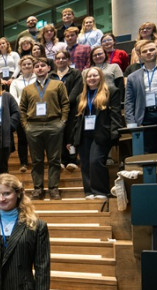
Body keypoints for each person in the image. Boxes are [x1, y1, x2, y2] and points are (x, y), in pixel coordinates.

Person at [70, 67, 123, 200]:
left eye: (95, 75)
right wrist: (73, 138)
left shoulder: (111, 92)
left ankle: (101, 191)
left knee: (96, 161)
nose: (92, 78)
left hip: (101, 133)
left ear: (101, 77)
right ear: (85, 79)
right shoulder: (81, 97)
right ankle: (89, 191)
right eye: (89, 76)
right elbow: (77, 119)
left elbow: (115, 114)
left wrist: (115, 132)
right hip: (84, 134)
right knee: (86, 163)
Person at [20, 57, 69, 200]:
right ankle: (38, 188)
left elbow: (65, 104)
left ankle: (53, 188)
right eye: (37, 66)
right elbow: (22, 109)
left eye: (42, 65)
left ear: (49, 68)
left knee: (54, 159)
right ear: (33, 70)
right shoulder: (27, 89)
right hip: (33, 126)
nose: (39, 68)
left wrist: (62, 122)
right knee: (36, 160)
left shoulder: (58, 84)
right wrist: (26, 126)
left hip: (54, 124)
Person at [50, 50, 84, 173]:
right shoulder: (51, 75)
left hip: (72, 110)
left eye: (64, 58)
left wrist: (64, 104)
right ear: (55, 61)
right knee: (59, 136)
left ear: (68, 60)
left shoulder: (75, 73)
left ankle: (72, 159)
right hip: (56, 111)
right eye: (58, 58)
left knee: (71, 136)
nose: (61, 60)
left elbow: (76, 91)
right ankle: (62, 160)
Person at [9, 56, 36, 172]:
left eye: (29, 64)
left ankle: (36, 161)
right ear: (20, 67)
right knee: (22, 139)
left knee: (35, 139)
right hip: (21, 113)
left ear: (33, 65)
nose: (26, 66)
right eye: (24, 64)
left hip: (36, 113)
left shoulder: (38, 79)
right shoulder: (15, 82)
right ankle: (23, 163)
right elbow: (13, 97)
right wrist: (23, 108)